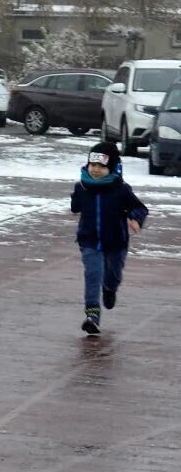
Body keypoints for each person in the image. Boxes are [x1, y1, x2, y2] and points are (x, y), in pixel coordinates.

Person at [70, 142, 148, 336]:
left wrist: (135, 218)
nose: (96, 170)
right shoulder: (82, 187)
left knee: (113, 275)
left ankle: (110, 289)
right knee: (93, 274)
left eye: (102, 166)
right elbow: (76, 206)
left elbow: (140, 208)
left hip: (115, 242)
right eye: (93, 165)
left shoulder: (121, 189)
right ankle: (92, 316)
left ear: (112, 168)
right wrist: (75, 201)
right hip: (89, 241)